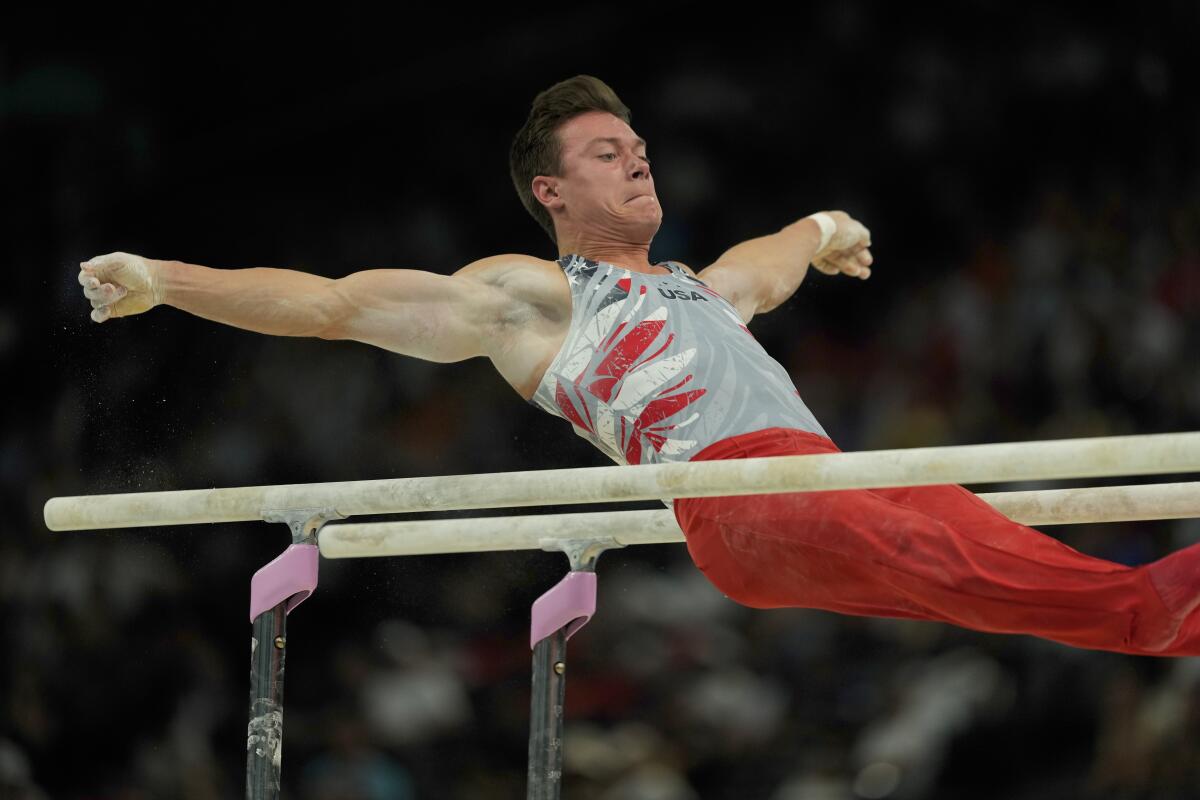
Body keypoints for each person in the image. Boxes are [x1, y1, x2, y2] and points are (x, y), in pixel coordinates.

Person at [76, 75, 1200, 656]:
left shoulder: (694, 290)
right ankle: (1160, 607)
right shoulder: (530, 297)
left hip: (811, 477)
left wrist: (823, 226)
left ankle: (1168, 610)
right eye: (608, 153)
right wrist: (170, 277)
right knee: (936, 539)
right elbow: (331, 306)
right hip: (738, 502)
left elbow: (767, 262)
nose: (638, 158)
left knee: (971, 529)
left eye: (641, 145)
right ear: (552, 192)